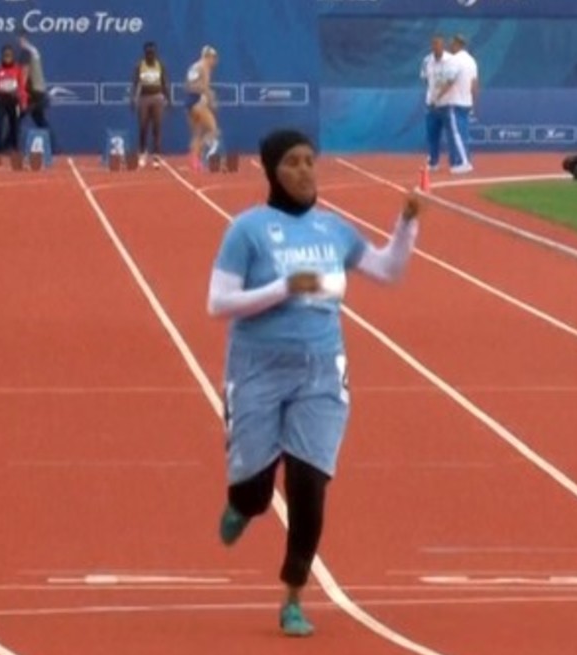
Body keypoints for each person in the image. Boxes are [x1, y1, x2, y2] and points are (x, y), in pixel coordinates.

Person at [206, 129, 423, 637]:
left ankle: (293, 595)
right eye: (293, 163)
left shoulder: (335, 231)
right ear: (271, 171)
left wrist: (407, 224)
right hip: (256, 370)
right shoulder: (248, 231)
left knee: (309, 485)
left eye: (310, 161)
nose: (306, 171)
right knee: (258, 493)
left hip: (322, 371)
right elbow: (218, 304)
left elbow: (387, 271)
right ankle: (242, 503)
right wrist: (284, 287)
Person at [431, 33, 478, 174]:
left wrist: (437, 98)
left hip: (454, 102)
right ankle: (461, 161)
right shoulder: (471, 60)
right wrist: (473, 103)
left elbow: (449, 81)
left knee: (456, 134)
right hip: (465, 102)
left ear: (457, 44)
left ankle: (463, 162)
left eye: (452, 43)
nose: (450, 45)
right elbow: (475, 84)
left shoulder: (454, 60)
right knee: (462, 133)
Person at [0, 44, 27, 166]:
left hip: (13, 100)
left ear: (13, 56)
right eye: (5, 55)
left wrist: (23, 102)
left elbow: (21, 88)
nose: (7, 57)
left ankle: (15, 153)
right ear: (2, 56)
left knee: (14, 127)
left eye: (9, 55)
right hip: (1, 100)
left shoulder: (18, 69)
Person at [132, 41, 170, 168]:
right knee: (143, 127)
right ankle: (142, 153)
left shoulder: (160, 65)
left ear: (155, 53)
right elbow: (135, 83)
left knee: (157, 128)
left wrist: (169, 99)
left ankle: (156, 157)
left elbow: (165, 83)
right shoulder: (140, 65)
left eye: (152, 53)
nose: (150, 55)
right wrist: (133, 99)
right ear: (145, 54)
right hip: (144, 98)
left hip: (157, 97)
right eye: (148, 53)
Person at [16, 30, 54, 153]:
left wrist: (20, 90)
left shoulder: (25, 52)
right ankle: (51, 146)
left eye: (19, 37)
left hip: (32, 92)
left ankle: (11, 147)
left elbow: (25, 72)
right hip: (39, 90)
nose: (18, 40)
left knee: (16, 118)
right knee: (39, 119)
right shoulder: (34, 50)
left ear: (23, 37)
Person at [185, 45, 220, 171]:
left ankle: (195, 160)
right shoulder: (204, 67)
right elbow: (204, 87)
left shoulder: (194, 67)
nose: (215, 61)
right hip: (198, 102)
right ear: (208, 57)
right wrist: (212, 100)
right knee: (213, 130)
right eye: (214, 58)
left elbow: (188, 85)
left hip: (189, 101)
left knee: (197, 134)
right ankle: (202, 155)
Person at [420, 35, 449, 171]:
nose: (436, 47)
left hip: (448, 103)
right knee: (432, 135)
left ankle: (457, 162)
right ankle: (433, 162)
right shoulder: (427, 60)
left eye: (438, 44)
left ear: (443, 46)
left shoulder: (450, 60)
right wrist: (433, 94)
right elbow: (424, 79)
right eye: (434, 44)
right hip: (431, 104)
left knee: (453, 135)